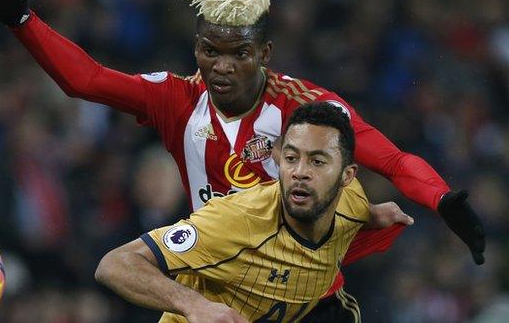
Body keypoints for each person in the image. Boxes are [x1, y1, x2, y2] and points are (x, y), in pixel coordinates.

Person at [0, 0, 486, 320]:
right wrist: (22, 20)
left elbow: (391, 161)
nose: (222, 66)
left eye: (239, 53)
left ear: (265, 52)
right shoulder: (173, 98)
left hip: (303, 294)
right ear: (197, 50)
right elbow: (86, 81)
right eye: (211, 51)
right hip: (216, 290)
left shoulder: (308, 107)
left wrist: (441, 200)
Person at [95, 102, 378, 322]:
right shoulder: (237, 220)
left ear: (347, 176)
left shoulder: (353, 205)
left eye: (317, 161)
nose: (300, 172)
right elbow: (115, 264)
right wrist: (195, 305)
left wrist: (376, 216)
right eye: (291, 158)